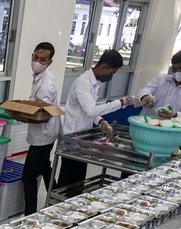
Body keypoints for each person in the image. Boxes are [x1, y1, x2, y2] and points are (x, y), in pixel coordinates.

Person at [57, 49, 140, 189]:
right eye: (112, 73)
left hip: (81, 139)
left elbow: (89, 110)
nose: (111, 76)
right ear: (104, 67)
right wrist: (122, 102)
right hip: (72, 140)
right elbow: (90, 110)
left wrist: (101, 121)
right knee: (68, 182)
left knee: (77, 181)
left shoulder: (94, 83)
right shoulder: (84, 83)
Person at [20, 42, 62, 215]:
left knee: (28, 177)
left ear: (49, 62)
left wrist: (21, 116)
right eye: (35, 57)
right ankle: (58, 200)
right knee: (45, 166)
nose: (37, 61)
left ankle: (29, 214)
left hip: (43, 135)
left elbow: (43, 115)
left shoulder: (46, 84)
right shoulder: (41, 76)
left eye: (42, 59)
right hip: (48, 133)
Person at [137, 49, 181, 123]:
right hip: (147, 123)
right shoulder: (160, 79)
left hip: (173, 130)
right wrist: (145, 97)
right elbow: (144, 91)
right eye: (174, 69)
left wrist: (174, 114)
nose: (177, 72)